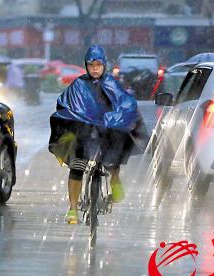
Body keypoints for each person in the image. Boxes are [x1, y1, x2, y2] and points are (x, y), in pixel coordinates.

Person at [48, 45, 148, 224]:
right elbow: (65, 105)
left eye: (98, 64)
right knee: (77, 167)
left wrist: (113, 118)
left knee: (113, 157)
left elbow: (126, 104)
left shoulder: (112, 83)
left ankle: (115, 179)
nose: (94, 68)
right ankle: (72, 209)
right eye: (91, 64)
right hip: (83, 134)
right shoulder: (78, 85)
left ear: (104, 65)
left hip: (107, 133)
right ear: (86, 65)